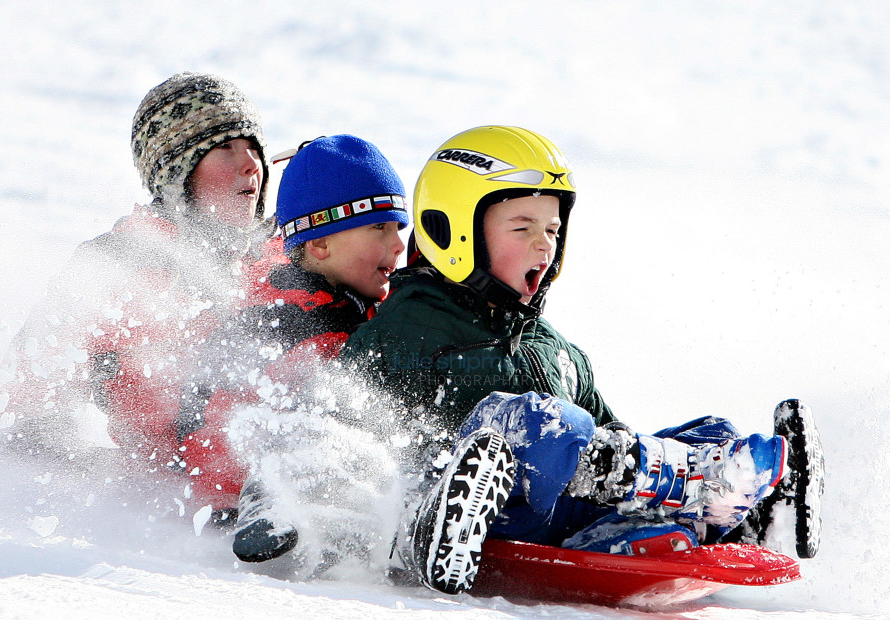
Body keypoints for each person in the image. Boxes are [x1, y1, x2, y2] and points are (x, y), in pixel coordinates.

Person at [341, 125, 825, 595]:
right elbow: (340, 429)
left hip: (563, 515)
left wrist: (639, 457)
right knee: (539, 420)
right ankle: (444, 535)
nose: (544, 244)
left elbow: (614, 435)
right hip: (470, 507)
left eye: (552, 229)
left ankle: (751, 520)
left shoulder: (556, 350)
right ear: (452, 231)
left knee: (715, 433)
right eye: (522, 227)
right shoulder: (406, 327)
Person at [0, 72, 275, 524]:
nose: (250, 165)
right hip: (185, 500)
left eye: (254, 149)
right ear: (178, 173)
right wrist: (58, 458)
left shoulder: (278, 250)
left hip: (277, 468)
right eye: (225, 149)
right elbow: (38, 370)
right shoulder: (125, 262)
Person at [174, 135, 409, 565]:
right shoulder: (275, 323)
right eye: (379, 228)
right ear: (320, 244)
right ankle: (269, 502)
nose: (397, 245)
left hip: (346, 476)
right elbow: (201, 412)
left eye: (399, 228)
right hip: (245, 484)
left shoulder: (377, 310)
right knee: (320, 407)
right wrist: (229, 490)